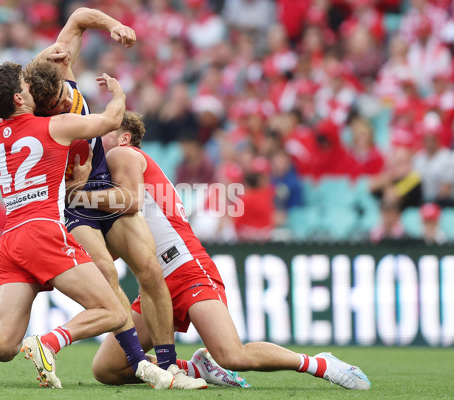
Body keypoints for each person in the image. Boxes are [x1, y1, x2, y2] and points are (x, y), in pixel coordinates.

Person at [73, 111, 371, 390]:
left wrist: (73, 194)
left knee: (232, 355)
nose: (98, 136)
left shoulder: (122, 155)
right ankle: (195, 368)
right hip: (154, 283)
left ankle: (320, 364)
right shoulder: (110, 183)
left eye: (107, 131)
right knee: (108, 368)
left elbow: (133, 201)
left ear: (125, 138)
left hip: (186, 268)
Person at [25, 8, 205, 389]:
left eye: (62, 94)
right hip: (72, 201)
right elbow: (107, 121)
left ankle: (169, 364)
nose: (63, 103)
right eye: (54, 103)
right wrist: (119, 95)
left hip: (99, 186)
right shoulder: (38, 120)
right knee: (108, 274)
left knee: (151, 269)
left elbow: (78, 18)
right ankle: (143, 365)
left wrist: (116, 26)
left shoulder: (62, 76)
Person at [0, 62, 129, 389]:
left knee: (5, 344)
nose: (32, 88)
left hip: (9, 241)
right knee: (113, 312)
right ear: (19, 98)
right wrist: (118, 93)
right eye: (26, 85)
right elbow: (111, 121)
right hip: (42, 231)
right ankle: (49, 343)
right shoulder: (56, 127)